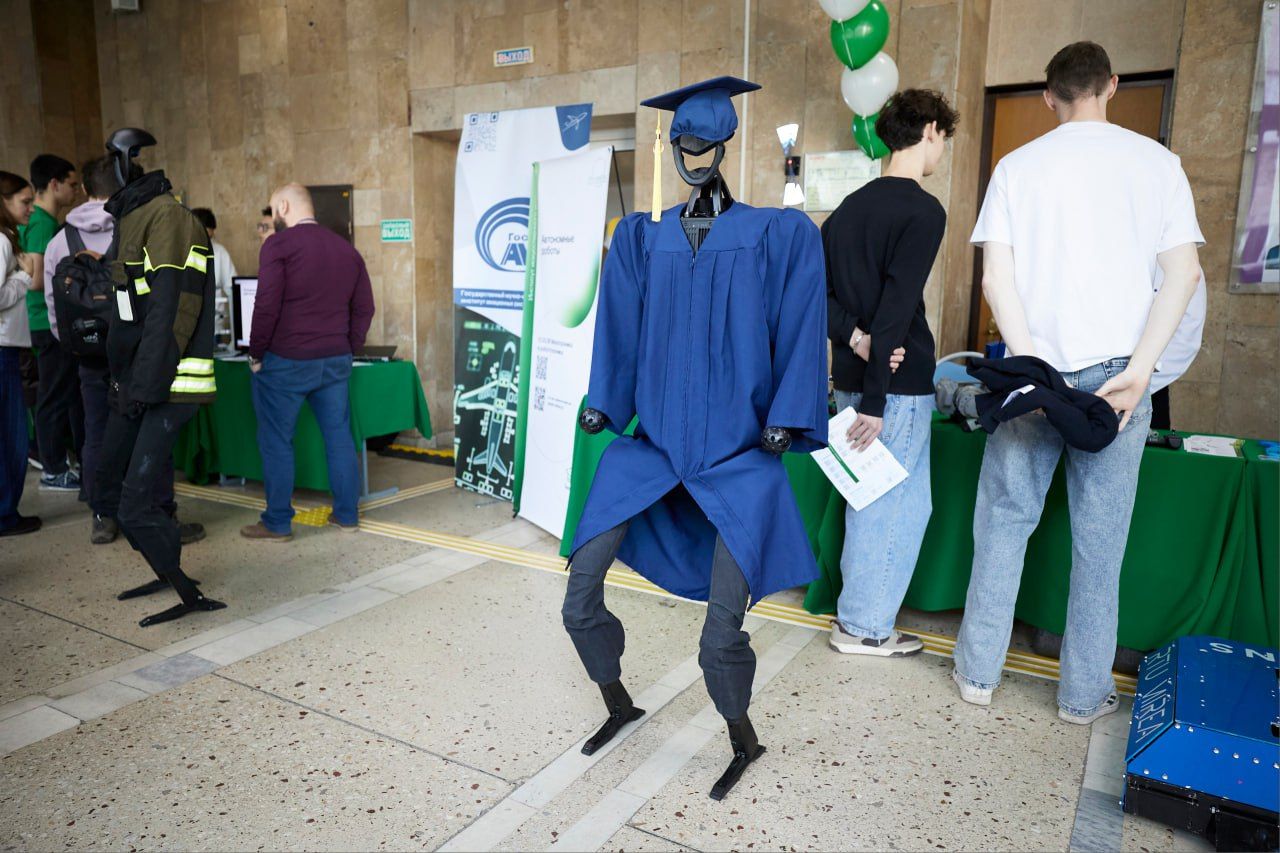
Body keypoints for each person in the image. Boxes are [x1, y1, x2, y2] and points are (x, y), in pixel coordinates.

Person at [954, 42, 1203, 723]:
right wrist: (1142, 370)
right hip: (1118, 377)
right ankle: (1083, 695)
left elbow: (996, 279)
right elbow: (1183, 275)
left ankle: (977, 673)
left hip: (1039, 371)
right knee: (1101, 543)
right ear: (1112, 86)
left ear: (1048, 96)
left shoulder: (1015, 166)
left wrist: (1032, 370)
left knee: (1004, 524)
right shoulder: (1158, 163)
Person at [822, 89, 957, 658]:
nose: (942, 150)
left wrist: (856, 339)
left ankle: (860, 617)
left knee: (878, 500)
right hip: (890, 390)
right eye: (944, 138)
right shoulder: (924, 211)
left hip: (854, 379)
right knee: (890, 505)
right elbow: (897, 308)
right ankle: (865, 626)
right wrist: (877, 401)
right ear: (930, 131)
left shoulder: (845, 211)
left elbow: (819, 297)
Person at [94, 127, 225, 625]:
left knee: (135, 503)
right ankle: (164, 567)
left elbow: (173, 310)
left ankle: (184, 588)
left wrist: (144, 386)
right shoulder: (131, 217)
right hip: (139, 380)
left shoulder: (168, 218)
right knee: (107, 490)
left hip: (170, 383)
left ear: (126, 165)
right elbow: (131, 309)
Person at [239, 183, 374, 542]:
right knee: (339, 438)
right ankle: (347, 515)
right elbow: (365, 308)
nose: (272, 218)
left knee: (277, 441)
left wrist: (256, 352)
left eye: (272, 210)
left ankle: (277, 522)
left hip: (287, 361)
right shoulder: (347, 251)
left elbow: (266, 304)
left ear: (284, 206)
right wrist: (348, 347)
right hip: (335, 361)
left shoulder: (278, 246)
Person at [24, 154, 84, 492]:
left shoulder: (41, 222)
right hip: (45, 321)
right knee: (54, 394)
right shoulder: (43, 224)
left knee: (60, 392)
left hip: (42, 321)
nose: (76, 191)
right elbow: (35, 278)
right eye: (72, 184)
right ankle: (53, 467)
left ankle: (57, 459)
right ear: (54, 184)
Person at [0, 172, 40, 536]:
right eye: (25, 202)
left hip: (7, 350)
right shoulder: (0, 240)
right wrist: (24, 276)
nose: (31, 208)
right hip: (3, 350)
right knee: (11, 438)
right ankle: (5, 515)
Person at [190, 207, 237, 349]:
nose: (207, 242)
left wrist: (236, 336)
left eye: (210, 237)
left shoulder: (219, 252)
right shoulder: (180, 251)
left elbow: (233, 290)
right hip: (187, 327)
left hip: (214, 328)